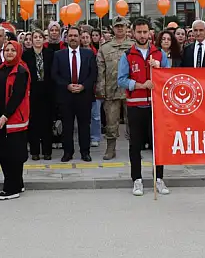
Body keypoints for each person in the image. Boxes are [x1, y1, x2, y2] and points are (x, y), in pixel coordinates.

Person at [117, 18, 171, 197]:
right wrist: (141, 85)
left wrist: (160, 69)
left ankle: (159, 178)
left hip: (155, 106)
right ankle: (137, 179)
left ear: (150, 33)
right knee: (135, 145)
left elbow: (169, 77)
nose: (142, 35)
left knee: (158, 144)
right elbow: (121, 80)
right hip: (135, 105)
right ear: (133, 33)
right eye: (139, 32)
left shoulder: (159, 54)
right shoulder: (128, 55)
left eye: (145, 32)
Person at [51, 27, 97, 162]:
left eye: (75, 36)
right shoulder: (59, 55)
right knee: (67, 126)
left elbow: (93, 74)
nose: (73, 38)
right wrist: (67, 85)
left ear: (80, 38)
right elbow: (55, 74)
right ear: (66, 38)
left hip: (84, 95)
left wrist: (83, 86)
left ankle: (85, 152)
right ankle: (68, 153)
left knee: (84, 125)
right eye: (70, 36)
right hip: (66, 95)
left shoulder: (88, 54)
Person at [0, 40, 30, 200]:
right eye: (7, 50)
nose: (9, 53)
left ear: (18, 52)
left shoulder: (21, 71)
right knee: (6, 152)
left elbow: (17, 96)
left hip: (14, 118)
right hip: (2, 118)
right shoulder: (1, 69)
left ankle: (11, 188)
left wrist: (5, 115)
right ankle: (18, 183)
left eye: (12, 50)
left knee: (13, 154)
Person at [96, 16, 133, 160]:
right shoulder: (105, 48)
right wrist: (101, 90)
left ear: (126, 28)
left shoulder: (133, 46)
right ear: (113, 28)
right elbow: (101, 71)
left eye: (122, 26)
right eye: (117, 26)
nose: (119, 28)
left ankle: (133, 149)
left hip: (130, 90)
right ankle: (110, 149)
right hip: (111, 91)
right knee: (111, 122)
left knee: (132, 122)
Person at [22, 29, 54, 160]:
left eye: (40, 37)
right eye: (35, 37)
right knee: (33, 123)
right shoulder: (26, 55)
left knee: (46, 123)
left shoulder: (50, 54)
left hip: (47, 92)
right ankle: (34, 151)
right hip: (32, 92)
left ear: (44, 39)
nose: (38, 39)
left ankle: (47, 151)